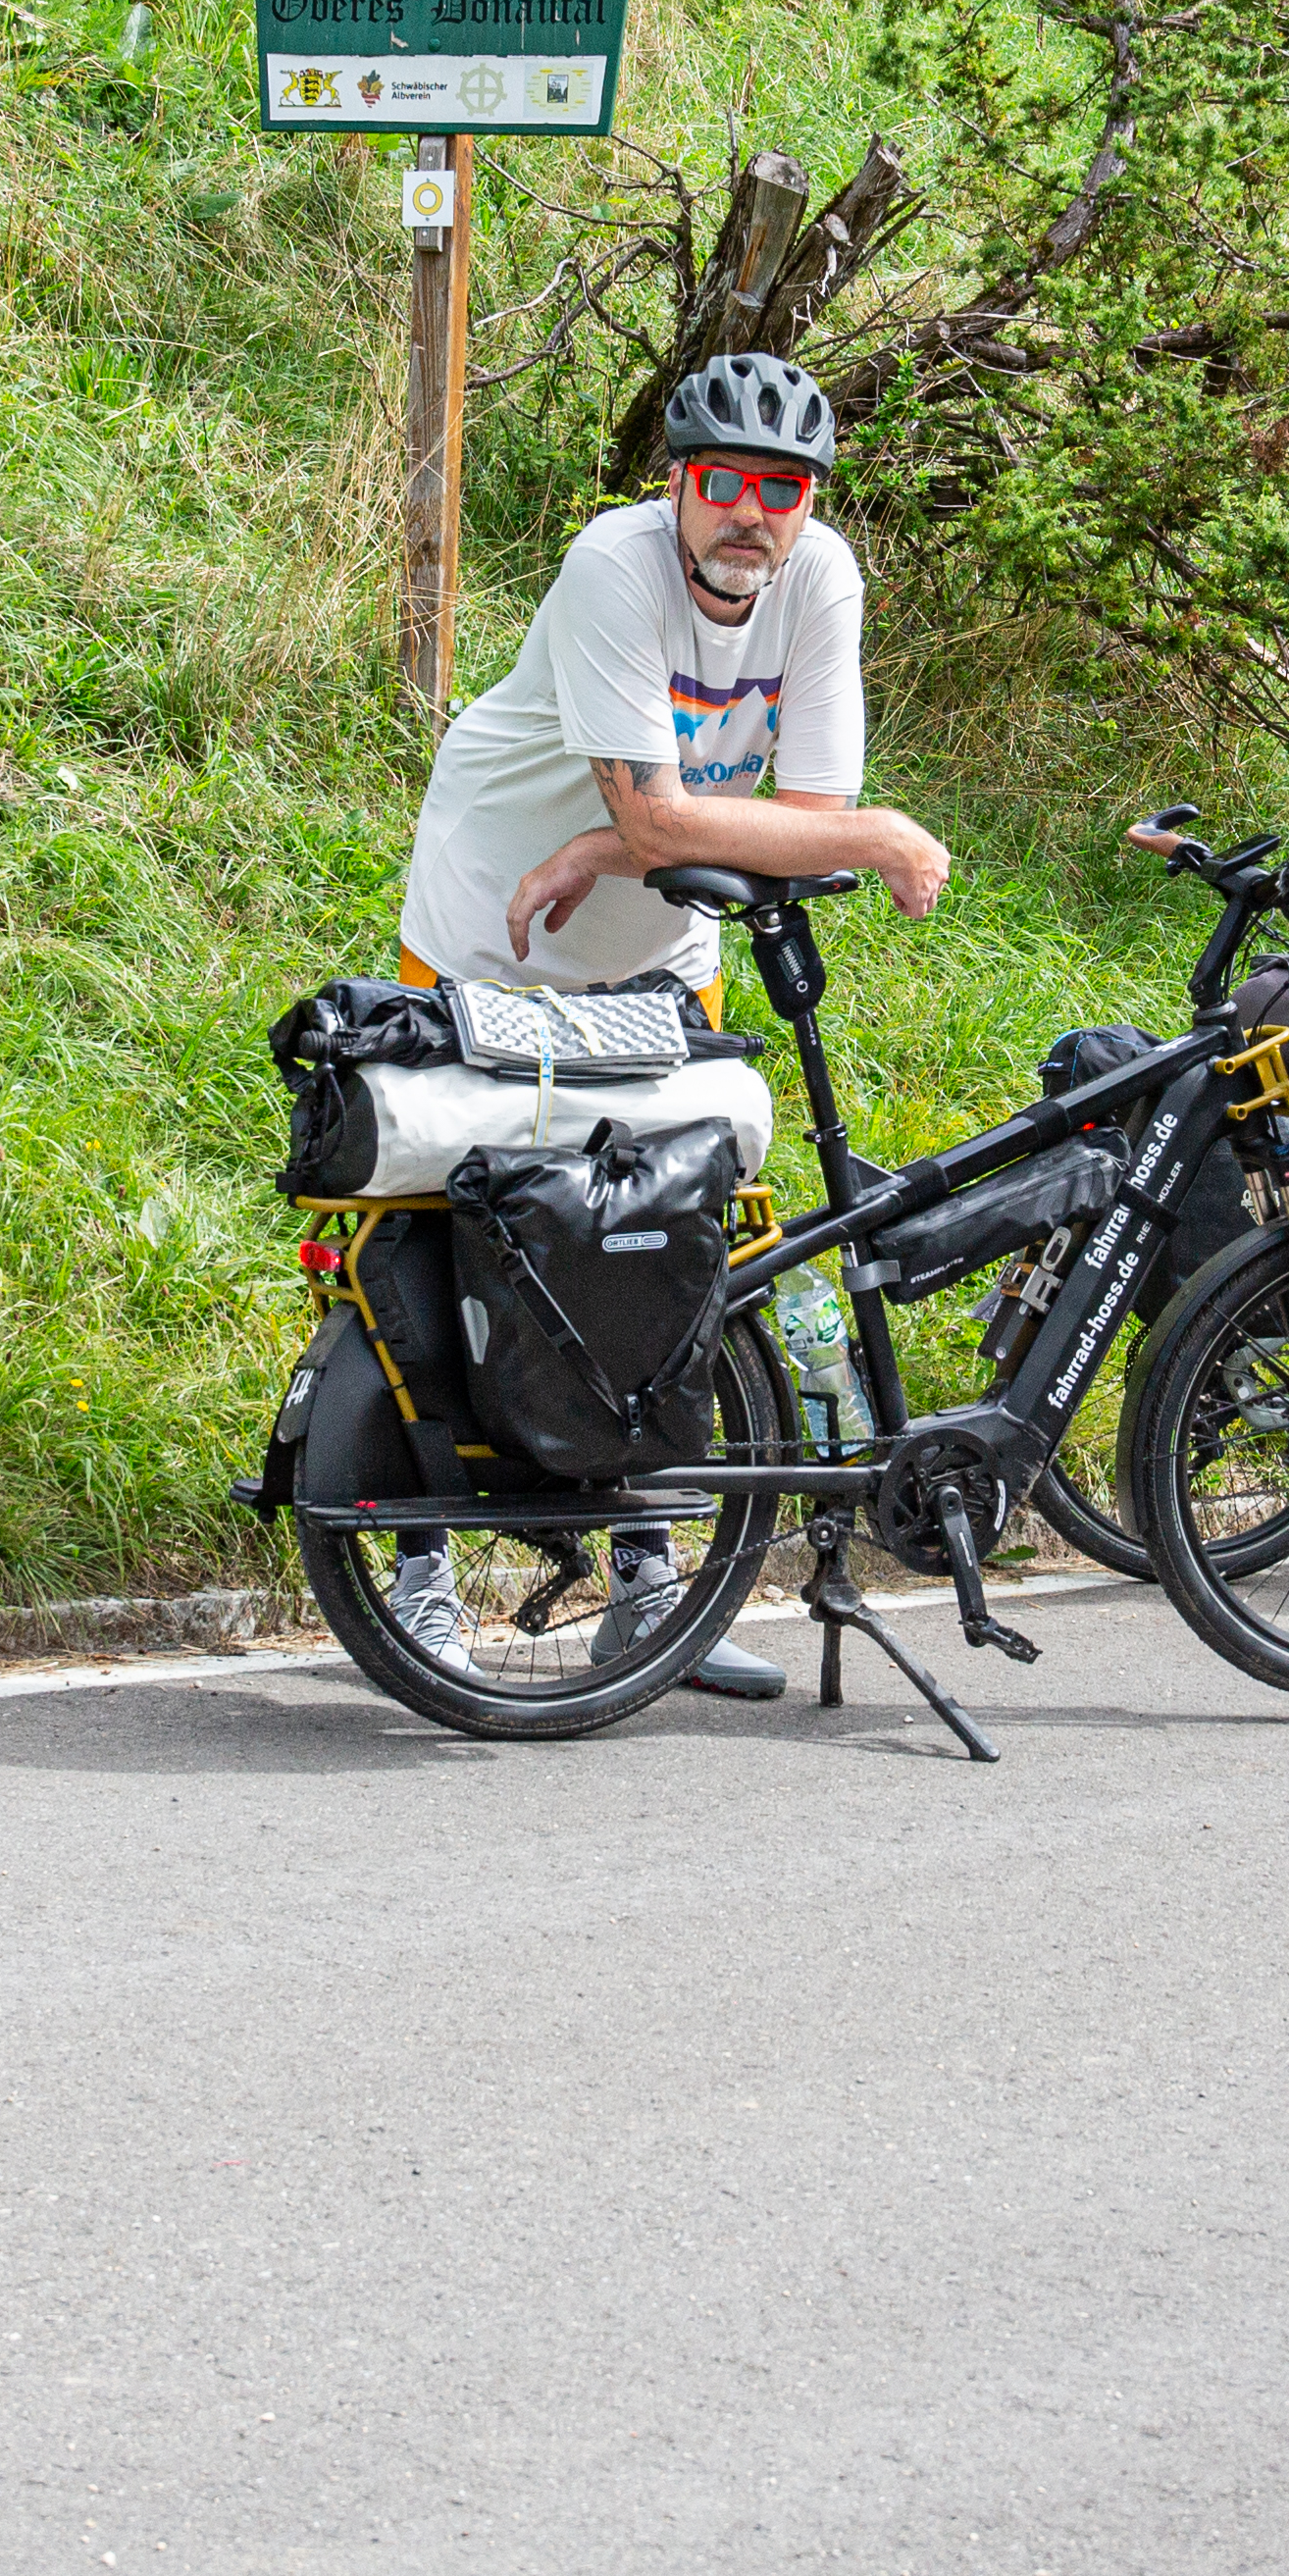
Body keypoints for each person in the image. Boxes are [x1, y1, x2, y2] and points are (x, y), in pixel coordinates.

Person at [387, 349, 954, 1697]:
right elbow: (750, 827)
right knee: (442, 1224)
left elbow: (799, 823)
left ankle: (646, 1580)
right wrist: (863, 834)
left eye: (783, 490)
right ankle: (416, 1568)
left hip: (661, 941)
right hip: (490, 924)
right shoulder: (615, 565)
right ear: (679, 486)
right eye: (724, 484)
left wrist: (613, 845)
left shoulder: (821, 580)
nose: (752, 514)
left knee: (664, 1242)